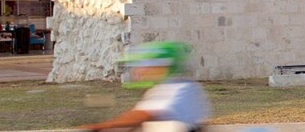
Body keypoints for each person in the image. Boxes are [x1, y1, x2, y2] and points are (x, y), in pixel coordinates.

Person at [80, 41, 210, 132]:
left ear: (163, 67)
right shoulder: (162, 89)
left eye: (146, 66)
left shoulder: (178, 88)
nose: (139, 71)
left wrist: (105, 126)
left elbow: (142, 115)